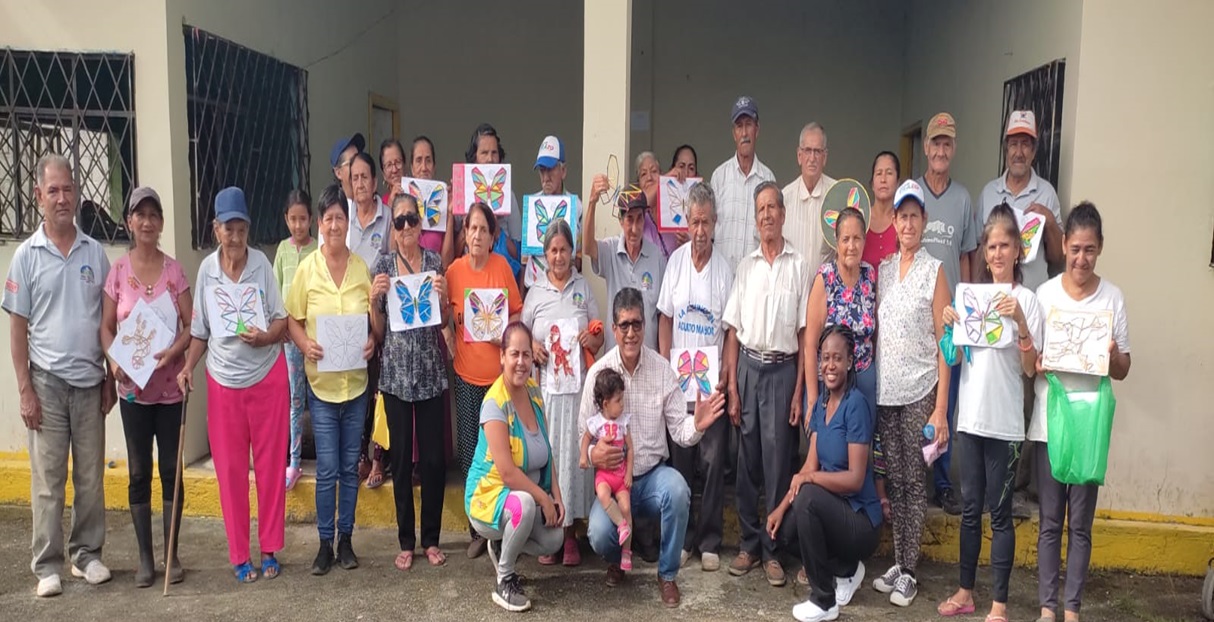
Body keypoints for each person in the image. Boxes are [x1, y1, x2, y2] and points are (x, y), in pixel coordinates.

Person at [5, 154, 116, 596]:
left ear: (77, 193)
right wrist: (25, 390)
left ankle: (86, 554)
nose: (62, 198)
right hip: (46, 384)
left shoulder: (95, 254)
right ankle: (47, 564)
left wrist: (110, 378)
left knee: (90, 477)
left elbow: (108, 323)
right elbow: (17, 328)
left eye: (68, 189)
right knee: (48, 482)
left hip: (90, 383)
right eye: (53, 190)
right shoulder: (26, 257)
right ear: (39, 196)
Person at [580, 287, 727, 607]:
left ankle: (667, 574)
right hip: (613, 484)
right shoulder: (598, 374)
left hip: (651, 477)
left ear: (645, 325)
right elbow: (583, 433)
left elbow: (680, 430)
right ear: (614, 328)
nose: (631, 333)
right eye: (624, 325)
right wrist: (593, 454)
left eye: (637, 324)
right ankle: (617, 560)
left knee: (678, 489)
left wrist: (697, 425)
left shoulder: (662, 370)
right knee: (598, 534)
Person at [937, 203, 1043, 621]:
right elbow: (955, 356)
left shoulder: (1027, 300)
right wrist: (949, 325)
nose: (997, 253)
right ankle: (965, 591)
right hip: (971, 420)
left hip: (1005, 425)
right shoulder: (971, 297)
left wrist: (1021, 323)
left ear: (1018, 250)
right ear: (984, 251)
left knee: (1000, 515)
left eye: (1004, 245)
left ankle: (999, 604)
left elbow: (1030, 368)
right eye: (991, 246)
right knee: (969, 511)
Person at [178, 186, 289, 584]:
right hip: (223, 383)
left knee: (271, 467)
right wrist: (188, 367)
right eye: (229, 229)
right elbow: (200, 332)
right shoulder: (207, 272)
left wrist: (265, 337)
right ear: (216, 229)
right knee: (230, 472)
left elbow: (281, 320)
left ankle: (270, 548)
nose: (236, 237)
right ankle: (240, 556)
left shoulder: (262, 265)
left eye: (242, 229)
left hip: (266, 377)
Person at [1029, 202, 1131, 622]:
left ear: (1100, 247)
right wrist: (1037, 362)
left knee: (1081, 526)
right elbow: (1031, 359)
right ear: (1064, 247)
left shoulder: (1113, 298)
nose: (1081, 259)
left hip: (1089, 425)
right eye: (1074, 249)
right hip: (1049, 422)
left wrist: (1113, 355)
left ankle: (1072, 610)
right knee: (1050, 521)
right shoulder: (1045, 295)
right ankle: (1047, 608)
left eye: (1089, 249)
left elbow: (1123, 369)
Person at [100, 186, 193, 587]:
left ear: (161, 223)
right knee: (139, 472)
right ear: (129, 222)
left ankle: (171, 555)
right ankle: (145, 559)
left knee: (171, 470)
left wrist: (175, 351)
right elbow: (106, 328)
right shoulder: (118, 272)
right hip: (133, 393)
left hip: (171, 391)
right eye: (140, 215)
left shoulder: (175, 272)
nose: (148, 222)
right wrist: (114, 361)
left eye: (154, 215)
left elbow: (191, 325)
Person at [978, 111, 1065, 519]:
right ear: (1005, 146)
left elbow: (1058, 255)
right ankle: (990, 484)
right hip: (993, 309)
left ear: (1034, 149)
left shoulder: (1046, 193)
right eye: (1013, 142)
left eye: (1026, 143)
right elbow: (980, 250)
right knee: (992, 396)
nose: (1019, 150)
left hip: (1030, 308)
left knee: (1027, 398)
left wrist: (1048, 220)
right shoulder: (988, 192)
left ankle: (1016, 485)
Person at [286, 184, 376, 576]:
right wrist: (304, 343)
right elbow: (292, 319)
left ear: (347, 222)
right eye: (328, 219)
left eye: (340, 217)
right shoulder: (307, 269)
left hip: (355, 387)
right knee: (326, 470)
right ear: (320, 225)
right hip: (322, 389)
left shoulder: (360, 269)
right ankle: (324, 543)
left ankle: (346, 540)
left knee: (349, 467)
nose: (334, 225)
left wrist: (372, 341)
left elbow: (372, 321)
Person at [723, 181, 809, 588]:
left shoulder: (799, 266)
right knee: (746, 463)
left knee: (777, 465)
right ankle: (748, 544)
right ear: (755, 218)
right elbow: (732, 332)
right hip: (749, 370)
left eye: (773, 207)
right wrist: (733, 388)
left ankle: (773, 551)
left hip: (782, 371)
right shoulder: (746, 267)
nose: (767, 215)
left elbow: (806, 336)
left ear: (783, 214)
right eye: (761, 209)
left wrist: (799, 390)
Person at [871, 179, 951, 607]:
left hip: (921, 391)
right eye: (901, 216)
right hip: (888, 394)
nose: (907, 224)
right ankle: (899, 562)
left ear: (924, 220)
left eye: (914, 216)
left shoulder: (934, 271)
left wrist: (940, 409)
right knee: (896, 481)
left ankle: (910, 571)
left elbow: (946, 343)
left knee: (915, 482)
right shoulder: (884, 270)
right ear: (895, 221)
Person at [767, 325, 882, 622]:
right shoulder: (821, 404)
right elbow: (810, 466)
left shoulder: (856, 406)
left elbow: (855, 479)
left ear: (849, 362)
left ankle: (824, 600)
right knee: (786, 534)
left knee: (807, 499)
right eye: (825, 358)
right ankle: (846, 569)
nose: (830, 365)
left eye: (837, 358)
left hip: (860, 520)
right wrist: (780, 508)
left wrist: (809, 480)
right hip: (834, 510)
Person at [369, 194, 451, 571]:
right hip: (397, 377)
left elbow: (442, 321)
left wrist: (444, 300)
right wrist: (374, 300)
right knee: (401, 461)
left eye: (411, 220)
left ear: (420, 224)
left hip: (430, 373)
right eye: (399, 221)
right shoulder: (383, 267)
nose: (405, 227)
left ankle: (431, 538)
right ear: (393, 227)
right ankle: (406, 540)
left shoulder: (434, 263)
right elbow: (379, 332)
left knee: (433, 460)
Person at [656, 182, 734, 572]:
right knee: (681, 464)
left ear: (715, 222)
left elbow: (731, 330)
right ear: (685, 223)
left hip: (710, 385)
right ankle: (684, 539)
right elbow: (665, 319)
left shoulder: (724, 269)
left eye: (706, 222)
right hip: (678, 385)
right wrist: (666, 366)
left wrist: (727, 374)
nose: (700, 230)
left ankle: (710, 541)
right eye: (694, 222)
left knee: (713, 462)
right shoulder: (676, 263)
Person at [464, 322, 564, 613]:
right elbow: (507, 473)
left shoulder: (533, 391)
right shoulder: (494, 404)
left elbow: (546, 450)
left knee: (555, 538)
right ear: (502, 357)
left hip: (523, 497)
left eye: (526, 354)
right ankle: (504, 580)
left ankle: (501, 546)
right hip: (488, 496)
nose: (521, 362)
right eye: (514, 354)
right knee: (524, 504)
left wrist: (556, 497)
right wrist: (543, 498)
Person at [522, 218, 603, 566]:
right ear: (545, 254)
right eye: (553, 250)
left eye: (564, 250)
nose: (559, 256)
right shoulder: (536, 292)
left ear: (573, 252)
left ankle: (570, 536)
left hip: (578, 392)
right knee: (549, 458)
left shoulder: (583, 287)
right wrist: (533, 346)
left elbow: (599, 335)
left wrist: (592, 339)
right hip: (546, 395)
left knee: (573, 459)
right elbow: (521, 336)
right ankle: (550, 534)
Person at [447, 201, 524, 558]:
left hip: (499, 383)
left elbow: (517, 314)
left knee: (503, 455)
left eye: (483, 229)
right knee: (470, 456)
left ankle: (504, 526)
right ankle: (476, 528)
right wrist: (448, 335)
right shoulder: (454, 272)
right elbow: (445, 317)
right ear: (464, 234)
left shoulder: (502, 268)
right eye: (472, 228)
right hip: (466, 377)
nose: (477, 235)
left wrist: (503, 336)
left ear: (494, 237)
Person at [916, 112, 976, 516]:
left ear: (953, 149)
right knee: (917, 403)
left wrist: (968, 312)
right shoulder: (912, 194)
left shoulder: (963, 200)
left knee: (946, 401)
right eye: (935, 142)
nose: (940, 150)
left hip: (951, 323)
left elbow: (968, 258)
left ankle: (941, 482)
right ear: (925, 147)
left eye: (946, 143)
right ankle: (914, 478)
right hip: (917, 318)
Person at [802, 207, 877, 424]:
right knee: (830, 442)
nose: (851, 246)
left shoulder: (869, 275)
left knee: (861, 442)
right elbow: (810, 346)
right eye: (845, 239)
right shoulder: (825, 278)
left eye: (857, 239)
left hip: (863, 379)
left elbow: (874, 330)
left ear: (864, 241)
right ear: (837, 243)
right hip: (830, 382)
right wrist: (813, 399)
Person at [583, 180, 667, 352]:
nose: (635, 229)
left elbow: (663, 316)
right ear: (621, 220)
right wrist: (592, 203)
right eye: (629, 219)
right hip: (615, 357)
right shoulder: (611, 249)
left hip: (648, 357)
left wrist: (663, 360)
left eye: (639, 219)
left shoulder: (657, 256)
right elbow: (588, 247)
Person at [273, 189, 316, 491]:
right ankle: (295, 460)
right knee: (295, 399)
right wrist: (281, 325)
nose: (298, 225)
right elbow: (276, 292)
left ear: (311, 219)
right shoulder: (282, 250)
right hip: (290, 338)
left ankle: (326, 459)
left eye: (303, 219)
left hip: (315, 336)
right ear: (286, 219)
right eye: (293, 219)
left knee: (321, 399)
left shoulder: (318, 249)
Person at [710, 95, 776, 269]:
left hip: (755, 277)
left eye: (749, 125)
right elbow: (710, 231)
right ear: (734, 134)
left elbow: (772, 235)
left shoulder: (768, 179)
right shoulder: (719, 177)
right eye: (739, 126)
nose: (744, 133)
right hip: (722, 276)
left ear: (757, 129)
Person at [578, 369, 635, 570]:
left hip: (620, 474)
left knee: (626, 506)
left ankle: (626, 552)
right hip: (604, 475)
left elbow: (630, 449)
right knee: (602, 494)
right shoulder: (596, 422)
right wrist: (584, 456)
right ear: (605, 404)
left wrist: (629, 473)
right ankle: (621, 525)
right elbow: (585, 438)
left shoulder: (623, 422)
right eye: (618, 400)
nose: (622, 404)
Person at [457, 123, 523, 280]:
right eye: (484, 153)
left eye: (494, 153)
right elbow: (453, 254)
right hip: (470, 276)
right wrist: (467, 227)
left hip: (500, 277)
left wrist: (497, 230)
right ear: (474, 158)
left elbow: (519, 254)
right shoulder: (462, 196)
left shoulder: (508, 196)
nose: (490, 159)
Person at [528, 134, 583, 282]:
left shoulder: (577, 206)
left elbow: (581, 258)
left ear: (563, 171)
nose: (545, 177)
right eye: (542, 170)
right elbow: (524, 261)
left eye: (550, 169)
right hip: (534, 285)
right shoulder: (532, 205)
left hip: (566, 286)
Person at [781, 122, 836, 270]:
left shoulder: (837, 195)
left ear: (824, 157)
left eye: (817, 151)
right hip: (792, 283)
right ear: (799, 156)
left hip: (827, 283)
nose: (812, 158)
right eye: (808, 151)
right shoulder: (784, 198)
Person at [405, 135, 457, 268]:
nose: (424, 167)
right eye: (418, 160)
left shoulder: (443, 202)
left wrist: (450, 214)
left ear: (434, 167)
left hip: (436, 277)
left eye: (428, 161)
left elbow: (446, 263)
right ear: (411, 167)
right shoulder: (403, 204)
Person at [635, 151, 683, 257]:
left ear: (661, 173)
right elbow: (644, 201)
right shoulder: (637, 213)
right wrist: (665, 179)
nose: (649, 178)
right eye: (643, 174)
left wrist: (685, 242)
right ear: (639, 184)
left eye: (654, 171)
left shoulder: (674, 208)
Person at [864, 151, 900, 271]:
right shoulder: (861, 219)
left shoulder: (903, 222)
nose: (883, 179)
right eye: (879, 173)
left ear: (898, 182)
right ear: (872, 184)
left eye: (889, 173)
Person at [330, 133, 365, 204]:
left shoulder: (375, 205)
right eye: (351, 162)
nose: (358, 166)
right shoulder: (335, 207)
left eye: (359, 159)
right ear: (338, 173)